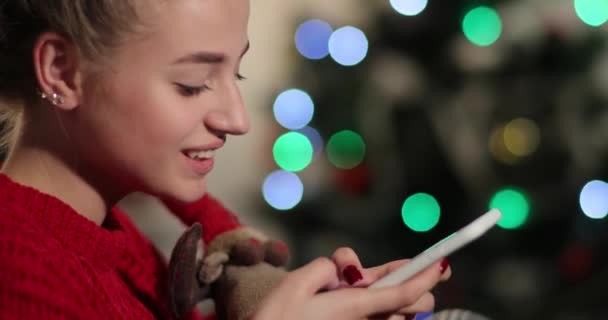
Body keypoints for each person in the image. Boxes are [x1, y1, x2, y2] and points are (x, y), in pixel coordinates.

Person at [0, 1, 451, 319]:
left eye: (236, 73)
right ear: (61, 70)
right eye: (193, 83)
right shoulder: (17, 275)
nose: (238, 120)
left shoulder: (120, 241)